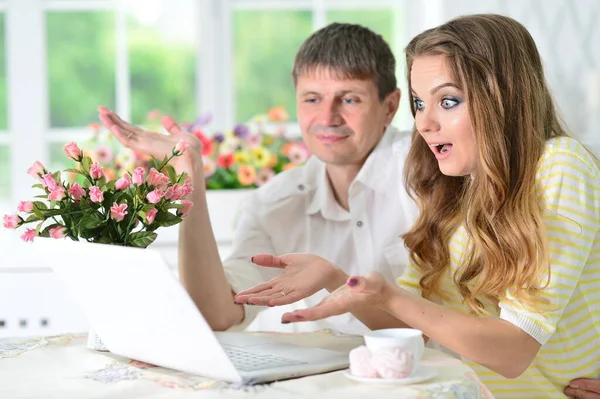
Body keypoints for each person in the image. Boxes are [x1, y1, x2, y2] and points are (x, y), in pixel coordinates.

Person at [240, 14, 600, 399]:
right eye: (419, 103)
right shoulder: (455, 186)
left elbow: (514, 350)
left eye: (448, 101)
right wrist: (336, 278)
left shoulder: (559, 164)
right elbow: (413, 328)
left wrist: (388, 294)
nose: (424, 123)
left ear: (503, 97)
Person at [97, 22, 418, 336]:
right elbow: (217, 314)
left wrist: (333, 277)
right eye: (312, 99)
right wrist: (188, 175)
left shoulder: (425, 172)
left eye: (349, 99)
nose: (327, 118)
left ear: (389, 107)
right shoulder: (274, 203)